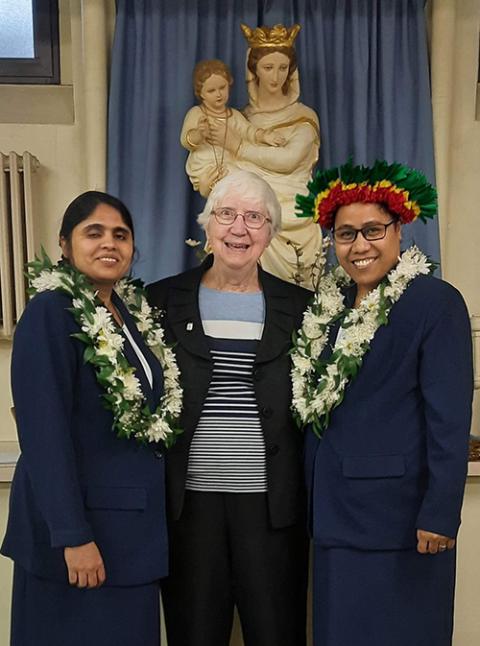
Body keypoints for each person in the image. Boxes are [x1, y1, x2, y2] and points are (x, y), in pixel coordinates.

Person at [293, 160, 474, 645]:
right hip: (334, 518)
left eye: (373, 230)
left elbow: (449, 421)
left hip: (401, 523)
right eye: (346, 234)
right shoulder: (328, 310)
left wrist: (439, 513)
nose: (359, 245)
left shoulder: (434, 303)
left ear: (400, 229)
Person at [1, 191, 182, 646]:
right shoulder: (50, 312)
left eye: (120, 235)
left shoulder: (129, 316)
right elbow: (44, 434)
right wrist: (72, 535)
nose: (109, 244)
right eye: (93, 232)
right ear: (65, 245)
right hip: (82, 540)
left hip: (130, 533)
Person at [147, 170, 311, 646]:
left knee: (276, 633)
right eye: (227, 214)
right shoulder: (159, 301)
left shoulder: (303, 308)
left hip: (272, 512)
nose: (240, 228)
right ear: (206, 224)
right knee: (195, 634)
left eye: (255, 217)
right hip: (188, 511)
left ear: (271, 232)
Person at [207, 23, 322, 288]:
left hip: (294, 219)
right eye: (268, 68)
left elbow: (289, 160)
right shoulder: (242, 118)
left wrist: (238, 148)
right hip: (245, 220)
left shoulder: (303, 117)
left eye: (283, 68)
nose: (276, 76)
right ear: (254, 70)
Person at [181, 59, 285, 197]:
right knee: (243, 182)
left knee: (251, 179)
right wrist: (199, 134)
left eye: (222, 88)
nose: (218, 94)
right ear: (201, 93)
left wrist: (265, 136)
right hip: (206, 166)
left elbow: (248, 131)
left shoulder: (234, 116)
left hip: (229, 164)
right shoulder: (197, 113)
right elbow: (185, 140)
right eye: (211, 90)